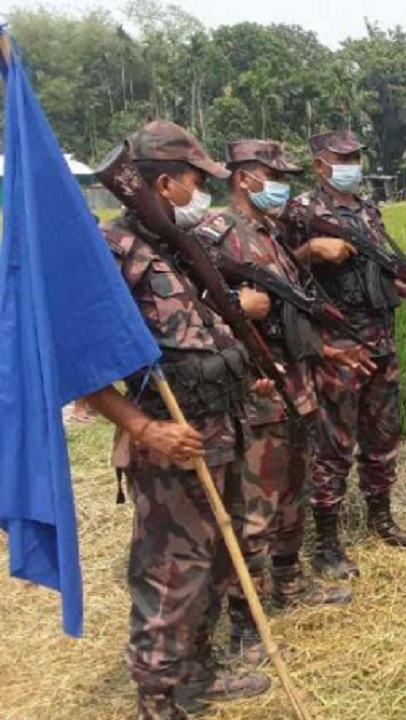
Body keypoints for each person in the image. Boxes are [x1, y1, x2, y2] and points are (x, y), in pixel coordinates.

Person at [84, 120, 269, 719]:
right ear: (164, 183)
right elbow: (78, 359)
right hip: (171, 446)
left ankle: (198, 677)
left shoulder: (180, 246)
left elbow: (200, 335)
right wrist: (143, 427)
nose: (203, 189)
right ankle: (158, 702)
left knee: (216, 562)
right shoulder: (114, 252)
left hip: (224, 431)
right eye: (196, 179)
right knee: (171, 576)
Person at [193, 139, 356, 663]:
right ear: (244, 178)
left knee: (294, 492)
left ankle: (290, 581)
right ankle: (245, 622)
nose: (283, 183)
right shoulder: (214, 235)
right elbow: (193, 315)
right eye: (273, 174)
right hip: (256, 392)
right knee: (255, 509)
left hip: (297, 385)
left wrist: (325, 349)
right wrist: (242, 318)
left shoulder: (273, 236)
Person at [281, 129, 406, 580]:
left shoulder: (368, 209)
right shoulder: (301, 212)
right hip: (336, 348)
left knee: (382, 438)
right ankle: (327, 542)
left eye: (356, 155)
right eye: (342, 156)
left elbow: (381, 271)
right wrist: (310, 250)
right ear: (319, 164)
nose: (352, 162)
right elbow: (276, 271)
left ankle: (382, 519)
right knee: (332, 447)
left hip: (380, 342)